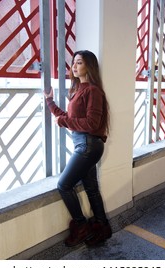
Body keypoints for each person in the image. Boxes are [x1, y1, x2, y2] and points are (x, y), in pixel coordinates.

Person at [44, 50, 112, 247]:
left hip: (88, 145)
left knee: (64, 185)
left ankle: (81, 227)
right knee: (91, 187)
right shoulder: (79, 90)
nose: (74, 66)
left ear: (89, 66)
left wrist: (63, 120)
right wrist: (50, 102)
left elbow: (91, 123)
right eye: (73, 63)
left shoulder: (92, 90)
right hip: (85, 144)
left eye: (79, 62)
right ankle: (102, 227)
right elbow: (69, 117)